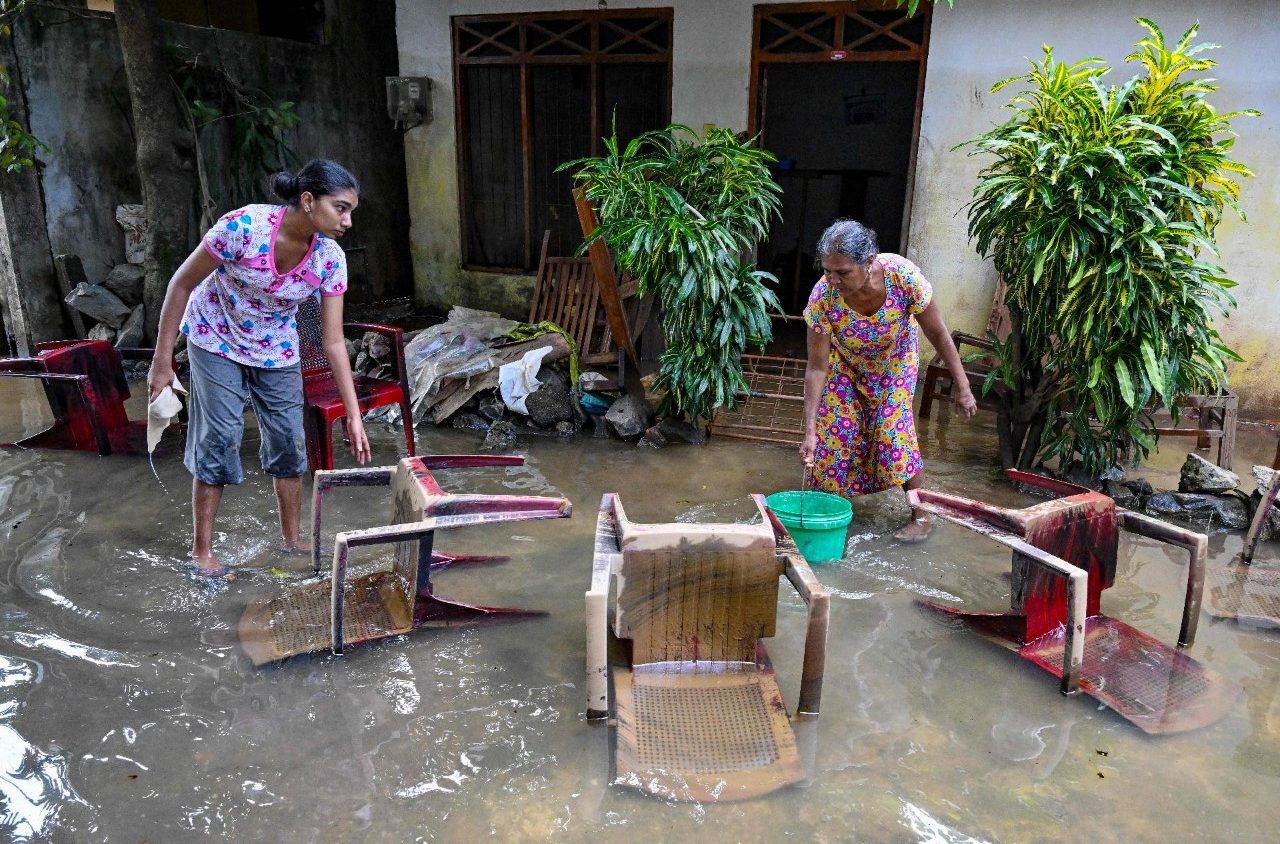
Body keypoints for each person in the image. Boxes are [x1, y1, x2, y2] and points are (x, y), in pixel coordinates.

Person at [147, 159, 372, 578]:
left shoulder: (329, 259)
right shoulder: (243, 229)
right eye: (340, 208)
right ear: (308, 201)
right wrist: (161, 364)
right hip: (215, 335)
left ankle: (291, 542)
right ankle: (202, 551)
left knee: (289, 438)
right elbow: (181, 283)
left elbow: (334, 340)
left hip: (275, 347)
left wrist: (354, 414)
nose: (348, 220)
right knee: (221, 434)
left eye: (351, 211)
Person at [800, 219, 977, 543]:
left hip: (894, 365)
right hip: (845, 368)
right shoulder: (823, 296)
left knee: (893, 433)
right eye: (827, 270)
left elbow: (937, 333)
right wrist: (810, 430)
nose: (832, 279)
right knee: (835, 438)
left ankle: (921, 514)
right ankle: (829, 511)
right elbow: (816, 368)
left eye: (842, 272)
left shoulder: (902, 277)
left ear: (868, 263)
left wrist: (963, 387)